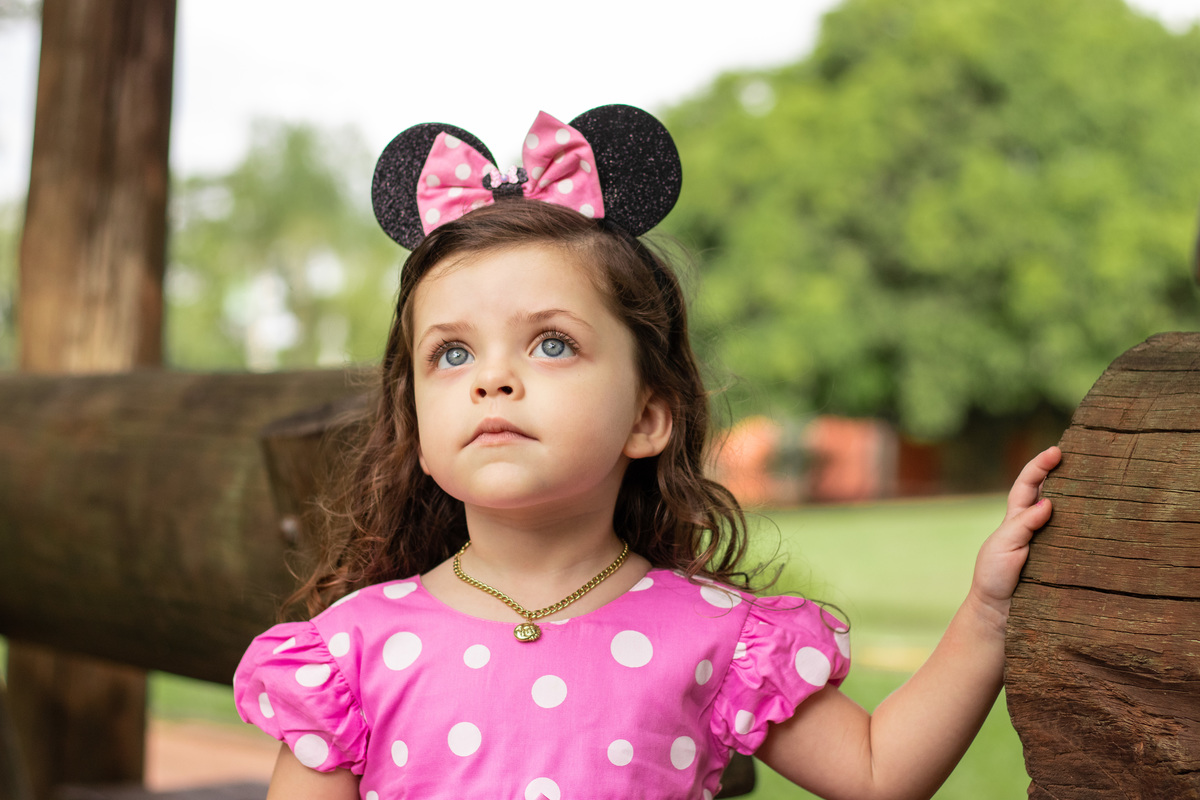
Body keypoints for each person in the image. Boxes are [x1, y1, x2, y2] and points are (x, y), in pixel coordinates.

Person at [233, 105, 1062, 800]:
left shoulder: (714, 637)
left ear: (649, 416)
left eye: (551, 344)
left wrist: (987, 614)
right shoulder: (348, 653)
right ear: (414, 432)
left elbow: (881, 772)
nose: (493, 379)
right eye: (452, 354)